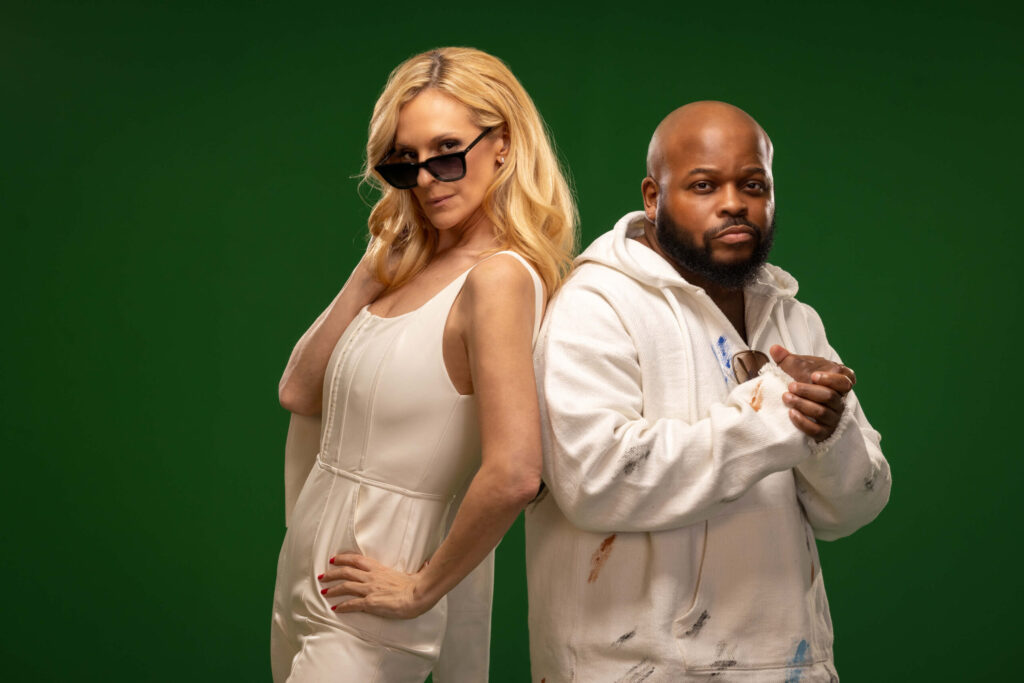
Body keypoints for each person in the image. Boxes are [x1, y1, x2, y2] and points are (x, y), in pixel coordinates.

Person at [526, 101, 891, 682]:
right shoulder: (594, 306)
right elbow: (594, 480)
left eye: (753, 184)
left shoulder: (796, 320)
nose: (733, 203)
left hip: (790, 662)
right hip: (634, 669)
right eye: (703, 185)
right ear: (653, 197)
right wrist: (779, 417)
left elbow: (854, 506)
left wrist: (830, 431)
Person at [271, 47, 576, 682]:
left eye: (446, 150)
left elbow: (516, 470)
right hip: (306, 572)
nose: (430, 178)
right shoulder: (410, 264)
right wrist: (371, 269)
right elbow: (299, 391)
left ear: (504, 144)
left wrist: (419, 589)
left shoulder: (499, 281)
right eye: (406, 162)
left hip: (376, 591)